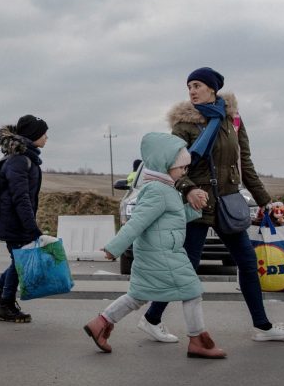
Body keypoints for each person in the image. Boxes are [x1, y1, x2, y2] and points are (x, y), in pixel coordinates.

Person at [140, 67, 284, 343]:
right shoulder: (184, 125)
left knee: (248, 263)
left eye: (197, 85)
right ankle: (151, 318)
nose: (192, 91)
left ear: (213, 89)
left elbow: (244, 164)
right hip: (198, 205)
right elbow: (173, 167)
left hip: (227, 203)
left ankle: (263, 326)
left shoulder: (232, 120)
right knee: (187, 265)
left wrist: (267, 202)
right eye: (189, 86)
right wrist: (188, 190)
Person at [83, 132, 226, 359]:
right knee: (192, 291)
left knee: (138, 295)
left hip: (158, 252)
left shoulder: (164, 189)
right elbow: (137, 222)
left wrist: (194, 209)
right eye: (180, 167)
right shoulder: (158, 191)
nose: (184, 172)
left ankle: (101, 323)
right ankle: (198, 341)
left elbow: (170, 218)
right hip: (164, 254)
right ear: (164, 164)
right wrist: (114, 247)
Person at [0, 114, 55, 323]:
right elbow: (20, 197)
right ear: (33, 135)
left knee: (19, 261)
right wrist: (31, 227)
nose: (46, 138)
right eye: (44, 133)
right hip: (13, 221)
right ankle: (5, 303)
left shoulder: (25, 158)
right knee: (20, 262)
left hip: (16, 220)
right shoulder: (19, 160)